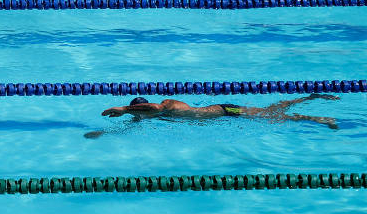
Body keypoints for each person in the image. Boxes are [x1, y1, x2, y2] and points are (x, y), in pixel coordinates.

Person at [84, 94, 340, 138]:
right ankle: (310, 97)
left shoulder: (165, 105)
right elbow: (133, 125)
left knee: (274, 116)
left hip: (226, 110)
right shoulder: (148, 115)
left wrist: (124, 108)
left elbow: (153, 110)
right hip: (224, 114)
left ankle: (317, 116)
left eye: (138, 112)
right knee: (272, 112)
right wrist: (104, 133)